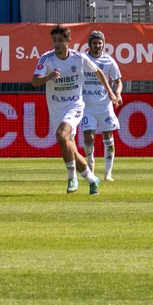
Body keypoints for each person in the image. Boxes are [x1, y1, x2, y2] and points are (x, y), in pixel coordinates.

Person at [33, 25, 101, 194]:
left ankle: (72, 178)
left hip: (74, 105)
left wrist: (112, 93)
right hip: (56, 108)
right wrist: (48, 77)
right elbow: (34, 81)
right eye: (54, 40)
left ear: (68, 41)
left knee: (61, 135)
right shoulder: (46, 59)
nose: (57, 44)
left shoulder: (78, 58)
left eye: (61, 41)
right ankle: (91, 179)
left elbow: (98, 71)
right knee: (68, 145)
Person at [76, 29, 122, 181]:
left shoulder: (109, 61)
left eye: (99, 43)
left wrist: (118, 93)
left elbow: (118, 80)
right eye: (94, 43)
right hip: (87, 106)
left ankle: (108, 173)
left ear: (103, 44)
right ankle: (90, 160)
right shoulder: (83, 60)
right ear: (89, 44)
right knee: (89, 138)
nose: (97, 45)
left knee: (108, 138)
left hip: (105, 106)